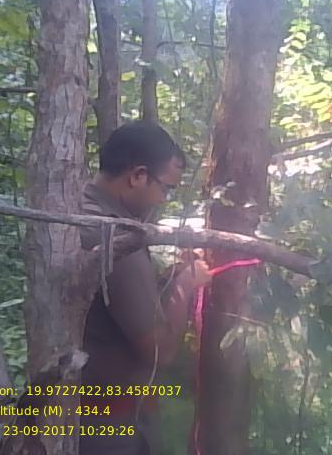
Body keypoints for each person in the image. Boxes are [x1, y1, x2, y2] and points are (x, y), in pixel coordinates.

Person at [77, 120, 211, 454]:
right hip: (109, 429)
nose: (164, 199)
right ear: (138, 175)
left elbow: (108, 304)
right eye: (166, 189)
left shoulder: (78, 207)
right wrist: (185, 285)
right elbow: (159, 352)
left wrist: (166, 280)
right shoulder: (115, 238)